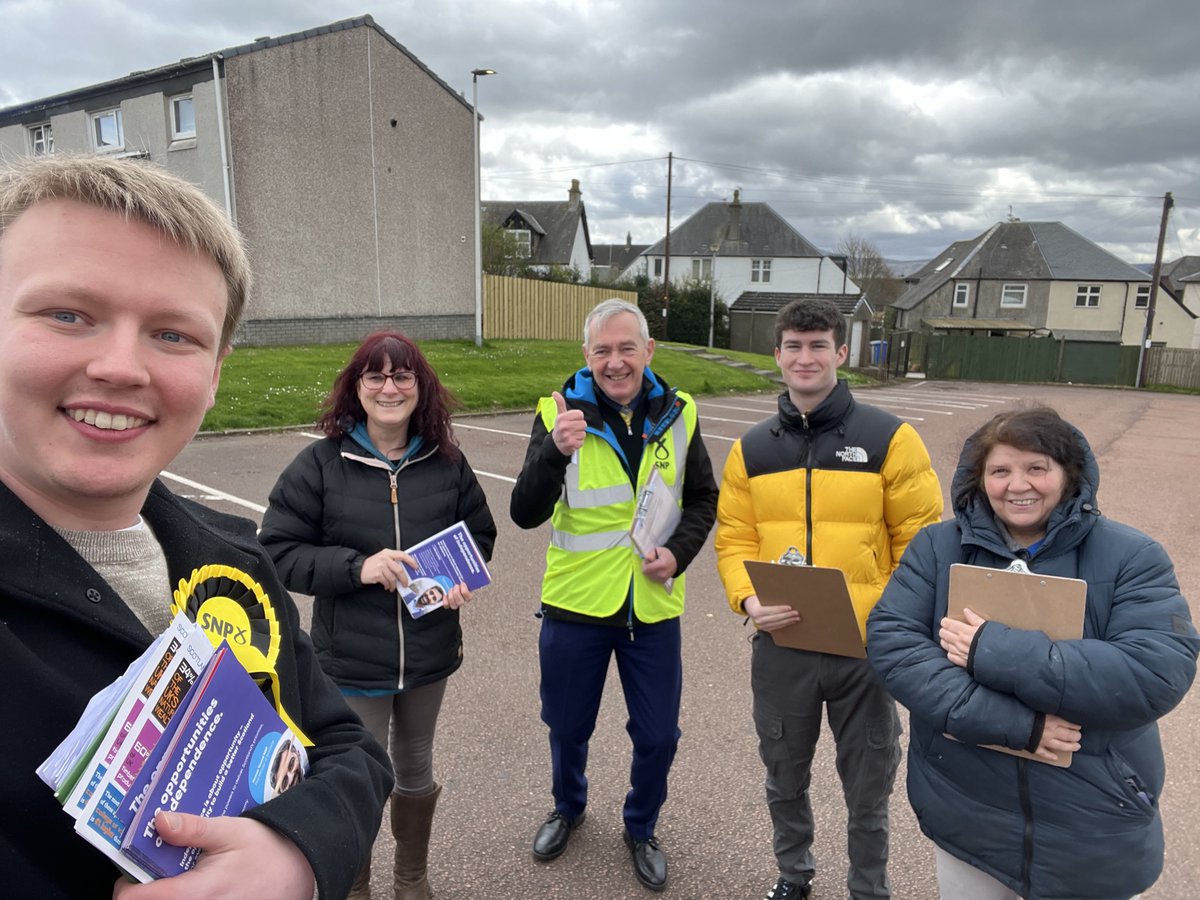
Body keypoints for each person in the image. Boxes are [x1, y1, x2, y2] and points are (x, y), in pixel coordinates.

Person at [0, 154, 393, 899]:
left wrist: (296, 855)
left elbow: (349, 749)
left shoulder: (231, 558)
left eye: (173, 334)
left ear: (216, 371)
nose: (121, 367)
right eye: (67, 315)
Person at [867, 407, 1198, 899]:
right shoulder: (938, 547)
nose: (1017, 485)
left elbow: (1155, 672)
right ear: (979, 479)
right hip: (968, 811)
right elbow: (894, 643)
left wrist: (989, 647)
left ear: (1069, 474)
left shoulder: (1132, 555)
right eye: (1000, 470)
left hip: (1088, 822)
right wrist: (1023, 728)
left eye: (1036, 468)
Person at [714, 298, 942, 900]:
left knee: (869, 785)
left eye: (818, 346)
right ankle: (794, 874)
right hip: (782, 642)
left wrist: (887, 622)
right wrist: (746, 601)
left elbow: (923, 546)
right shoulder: (751, 449)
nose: (805, 357)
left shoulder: (890, 439)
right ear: (778, 355)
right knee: (783, 775)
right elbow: (734, 539)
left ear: (842, 352)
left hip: (865, 651)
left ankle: (869, 888)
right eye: (794, 345)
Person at [259, 330, 497, 900]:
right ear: (357, 388)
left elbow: (480, 535)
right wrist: (356, 567)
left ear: (420, 387)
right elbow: (277, 551)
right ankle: (355, 885)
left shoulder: (447, 463)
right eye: (376, 376)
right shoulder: (320, 464)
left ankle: (411, 879)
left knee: (415, 767)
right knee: (358, 781)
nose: (389, 387)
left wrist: (462, 578)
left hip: (428, 652)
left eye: (402, 376)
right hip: (350, 661)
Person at [510, 298, 718, 892]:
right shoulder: (558, 413)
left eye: (627, 347)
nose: (615, 361)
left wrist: (679, 552)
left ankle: (641, 825)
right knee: (567, 725)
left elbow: (704, 498)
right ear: (586, 356)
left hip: (651, 608)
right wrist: (555, 451)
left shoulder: (681, 413)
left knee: (658, 736)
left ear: (649, 351)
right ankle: (568, 807)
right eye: (602, 350)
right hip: (576, 606)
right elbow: (524, 512)